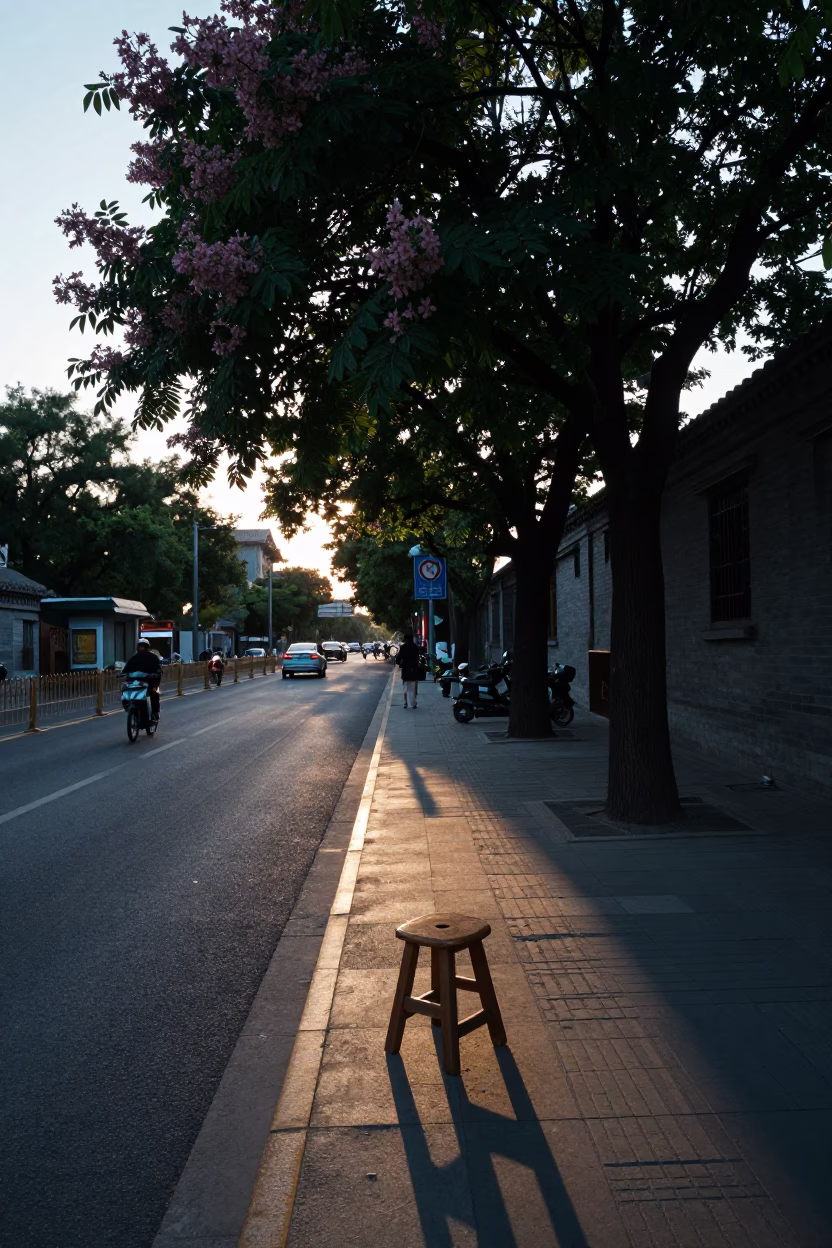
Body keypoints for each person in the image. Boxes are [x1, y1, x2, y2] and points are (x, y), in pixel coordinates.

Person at [122, 639, 162, 721]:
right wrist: (121, 674)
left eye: (143, 647)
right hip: (134, 683)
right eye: (140, 647)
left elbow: (158, 668)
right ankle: (129, 706)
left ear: (147, 647)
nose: (141, 648)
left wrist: (156, 673)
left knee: (154, 694)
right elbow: (125, 670)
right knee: (124, 690)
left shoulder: (153, 658)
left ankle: (155, 713)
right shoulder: (133, 659)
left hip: (149, 682)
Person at [395, 631, 423, 710]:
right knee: (413, 687)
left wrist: (399, 663)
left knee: (405, 686)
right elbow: (418, 658)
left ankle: (405, 703)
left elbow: (399, 658)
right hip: (414, 669)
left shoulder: (403, 647)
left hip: (405, 669)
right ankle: (413, 703)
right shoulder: (415, 647)